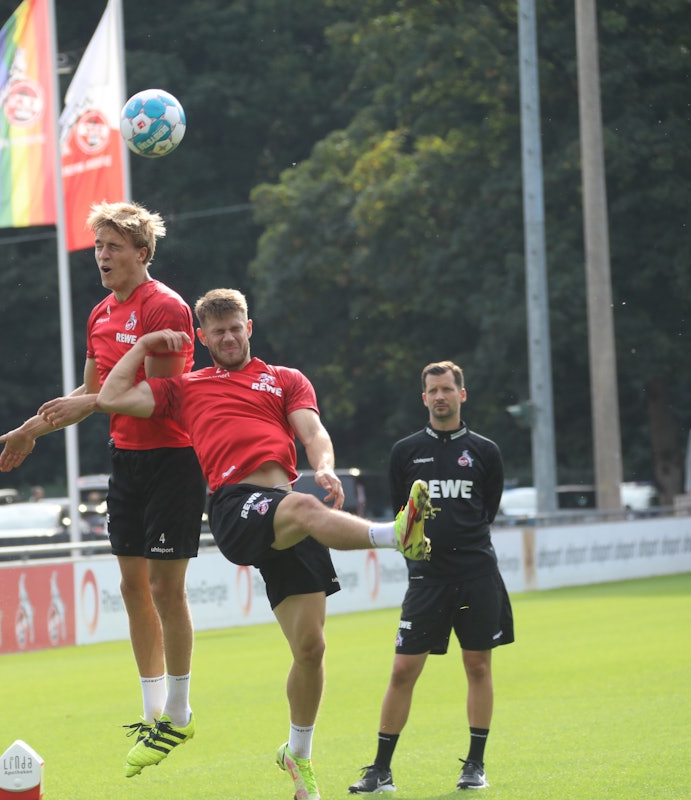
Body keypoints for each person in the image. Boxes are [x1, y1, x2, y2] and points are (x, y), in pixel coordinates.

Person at [95, 288, 432, 800]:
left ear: (250, 327)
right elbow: (111, 397)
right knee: (299, 507)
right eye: (218, 331)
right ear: (203, 338)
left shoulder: (286, 379)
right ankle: (395, 535)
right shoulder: (185, 387)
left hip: (288, 511)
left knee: (312, 649)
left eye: (236, 327)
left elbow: (313, 430)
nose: (229, 338)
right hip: (237, 505)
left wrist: (322, 466)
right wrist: (142, 348)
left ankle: (298, 754)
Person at [0, 201, 206, 777]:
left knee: (167, 587)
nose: (103, 256)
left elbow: (155, 396)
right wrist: (31, 430)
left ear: (142, 253)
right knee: (132, 586)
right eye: (99, 247)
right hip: (127, 461)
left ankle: (180, 711)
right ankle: (152, 711)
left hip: (172, 456)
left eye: (114, 247)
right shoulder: (97, 315)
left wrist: (79, 404)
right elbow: (91, 396)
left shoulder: (166, 307)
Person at [347, 360, 513, 793]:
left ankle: (474, 764)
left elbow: (486, 511)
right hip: (426, 579)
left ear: (462, 394)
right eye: (432, 391)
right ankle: (381, 770)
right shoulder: (405, 451)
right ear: (423, 398)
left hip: (477, 574)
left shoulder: (485, 451)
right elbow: (405, 519)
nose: (440, 396)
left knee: (477, 665)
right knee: (403, 670)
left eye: (447, 389)